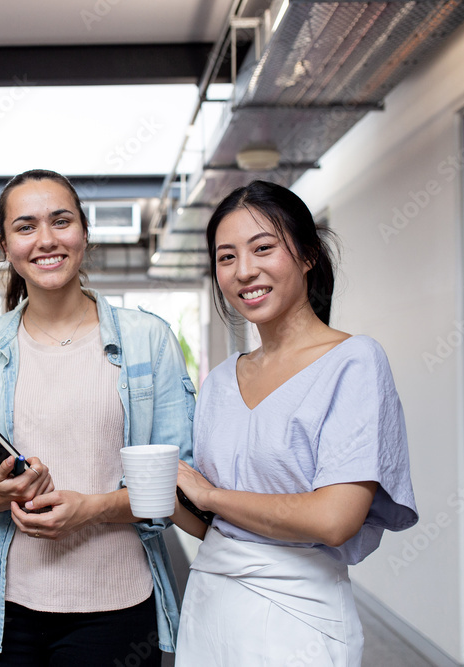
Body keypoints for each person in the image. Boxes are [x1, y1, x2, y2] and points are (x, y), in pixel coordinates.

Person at [0, 169, 196, 665]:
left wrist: (93, 509)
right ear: (5, 244)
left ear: (84, 234)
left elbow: (177, 482)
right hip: (2, 609)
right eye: (26, 226)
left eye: (61, 221)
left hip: (116, 608)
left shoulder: (148, 339)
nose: (47, 240)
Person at [172, 180, 419, 665]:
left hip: (298, 619)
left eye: (263, 248)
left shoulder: (354, 361)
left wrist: (209, 496)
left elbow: (334, 520)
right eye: (226, 258)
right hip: (209, 610)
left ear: (307, 255)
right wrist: (159, 494)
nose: (244, 271)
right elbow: (214, 527)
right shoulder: (221, 382)